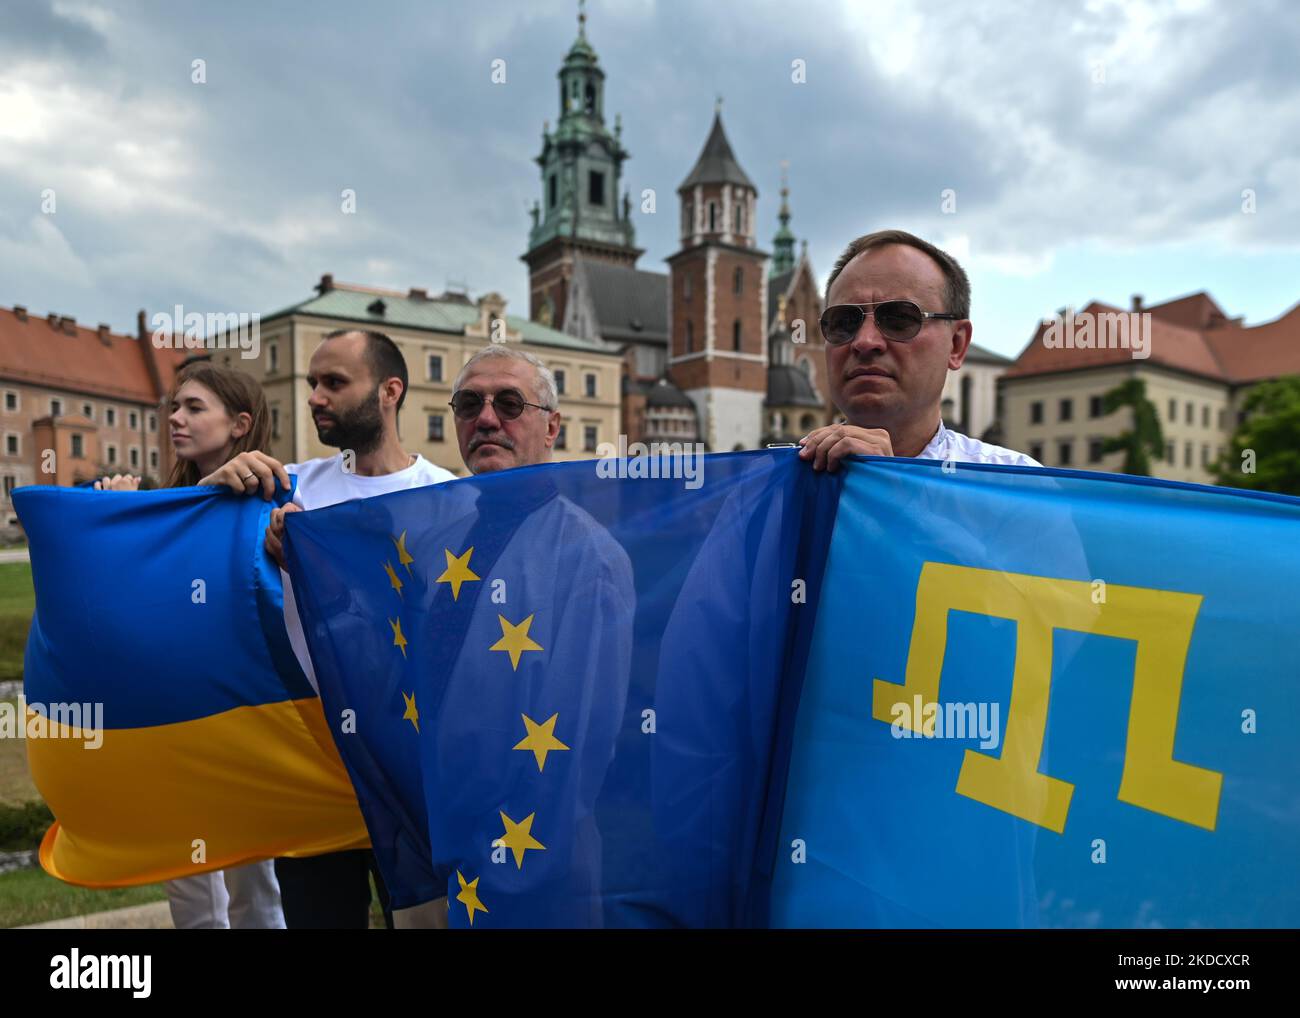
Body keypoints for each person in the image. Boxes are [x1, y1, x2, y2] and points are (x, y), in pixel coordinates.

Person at [206, 328, 457, 929]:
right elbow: (196, 558)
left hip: (414, 766)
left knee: (428, 923)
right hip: (313, 768)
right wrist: (217, 483)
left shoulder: (451, 498)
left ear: (389, 391)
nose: (315, 396)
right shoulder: (286, 488)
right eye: (313, 382)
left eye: (334, 383)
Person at [96, 360, 287, 930]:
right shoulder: (161, 508)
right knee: (189, 884)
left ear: (239, 424)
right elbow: (120, 600)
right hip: (174, 714)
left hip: (243, 711)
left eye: (194, 408)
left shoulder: (271, 492)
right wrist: (113, 521)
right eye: (174, 407)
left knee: (256, 881)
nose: (175, 418)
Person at [799, 229, 1041, 471]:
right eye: (843, 322)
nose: (865, 341)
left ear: (956, 345)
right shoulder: (779, 484)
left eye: (900, 319)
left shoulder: (1018, 484)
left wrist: (890, 489)